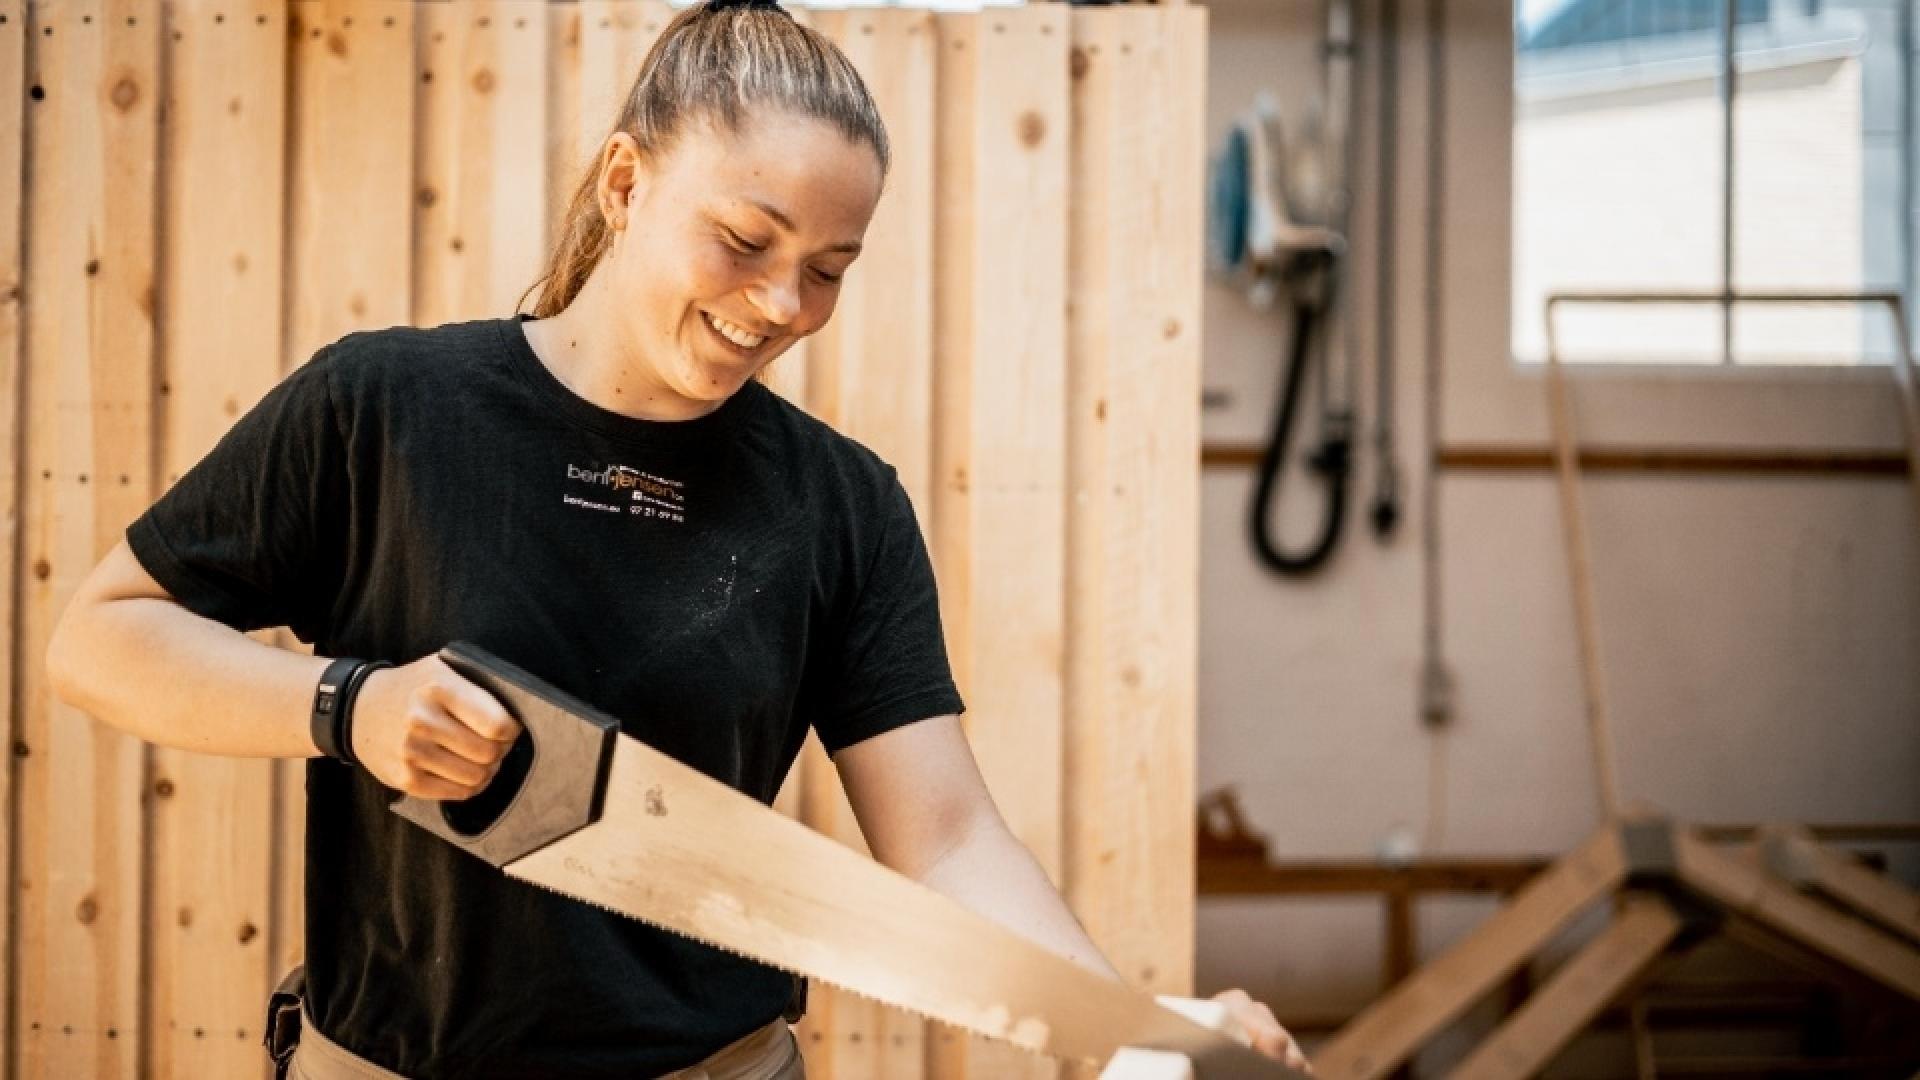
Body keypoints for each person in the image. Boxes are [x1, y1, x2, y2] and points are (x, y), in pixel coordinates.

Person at [46, 0, 1307, 1076]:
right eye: (746, 240)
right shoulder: (382, 408)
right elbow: (101, 639)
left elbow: (948, 837)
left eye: (829, 268)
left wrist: (1133, 1031)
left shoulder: (841, 504)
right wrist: (348, 707)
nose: (780, 305)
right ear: (625, 180)